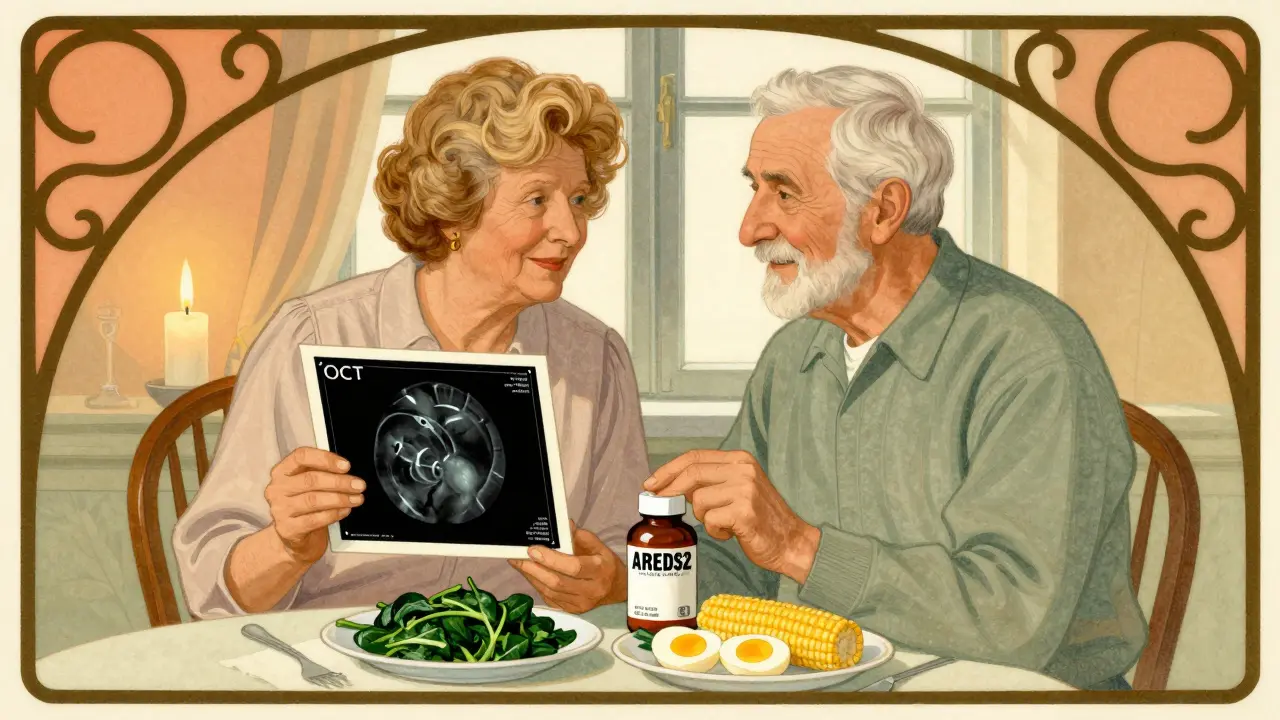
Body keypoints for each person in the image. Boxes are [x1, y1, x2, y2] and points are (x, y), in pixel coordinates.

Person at [646, 66, 1148, 691]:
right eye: (754, 189)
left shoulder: (1030, 350)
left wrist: (801, 547)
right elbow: (741, 569)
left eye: (783, 193)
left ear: (883, 209)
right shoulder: (794, 354)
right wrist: (632, 579)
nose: (750, 228)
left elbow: (1013, 621)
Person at [172, 57, 647, 619]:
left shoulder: (593, 357)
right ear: (455, 213)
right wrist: (287, 545)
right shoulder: (315, 334)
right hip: (337, 669)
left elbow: (629, 550)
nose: (570, 231)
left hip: (512, 672)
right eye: (538, 199)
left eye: (580, 200)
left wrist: (608, 577)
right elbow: (213, 593)